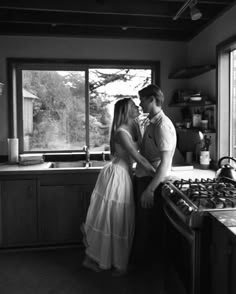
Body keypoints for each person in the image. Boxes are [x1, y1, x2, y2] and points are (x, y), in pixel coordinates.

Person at [81, 97, 155, 275]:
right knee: (114, 220)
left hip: (123, 175)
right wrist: (158, 175)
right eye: (132, 106)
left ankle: (103, 260)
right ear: (125, 111)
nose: (137, 106)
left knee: (115, 219)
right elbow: (139, 159)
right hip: (117, 176)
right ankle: (101, 261)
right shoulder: (122, 132)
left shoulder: (132, 128)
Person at [132, 84, 177, 265]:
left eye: (142, 100)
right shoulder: (151, 122)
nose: (140, 103)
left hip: (152, 182)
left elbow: (165, 163)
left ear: (152, 100)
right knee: (143, 225)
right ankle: (143, 266)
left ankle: (144, 270)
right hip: (145, 178)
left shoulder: (162, 126)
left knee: (147, 227)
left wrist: (150, 190)